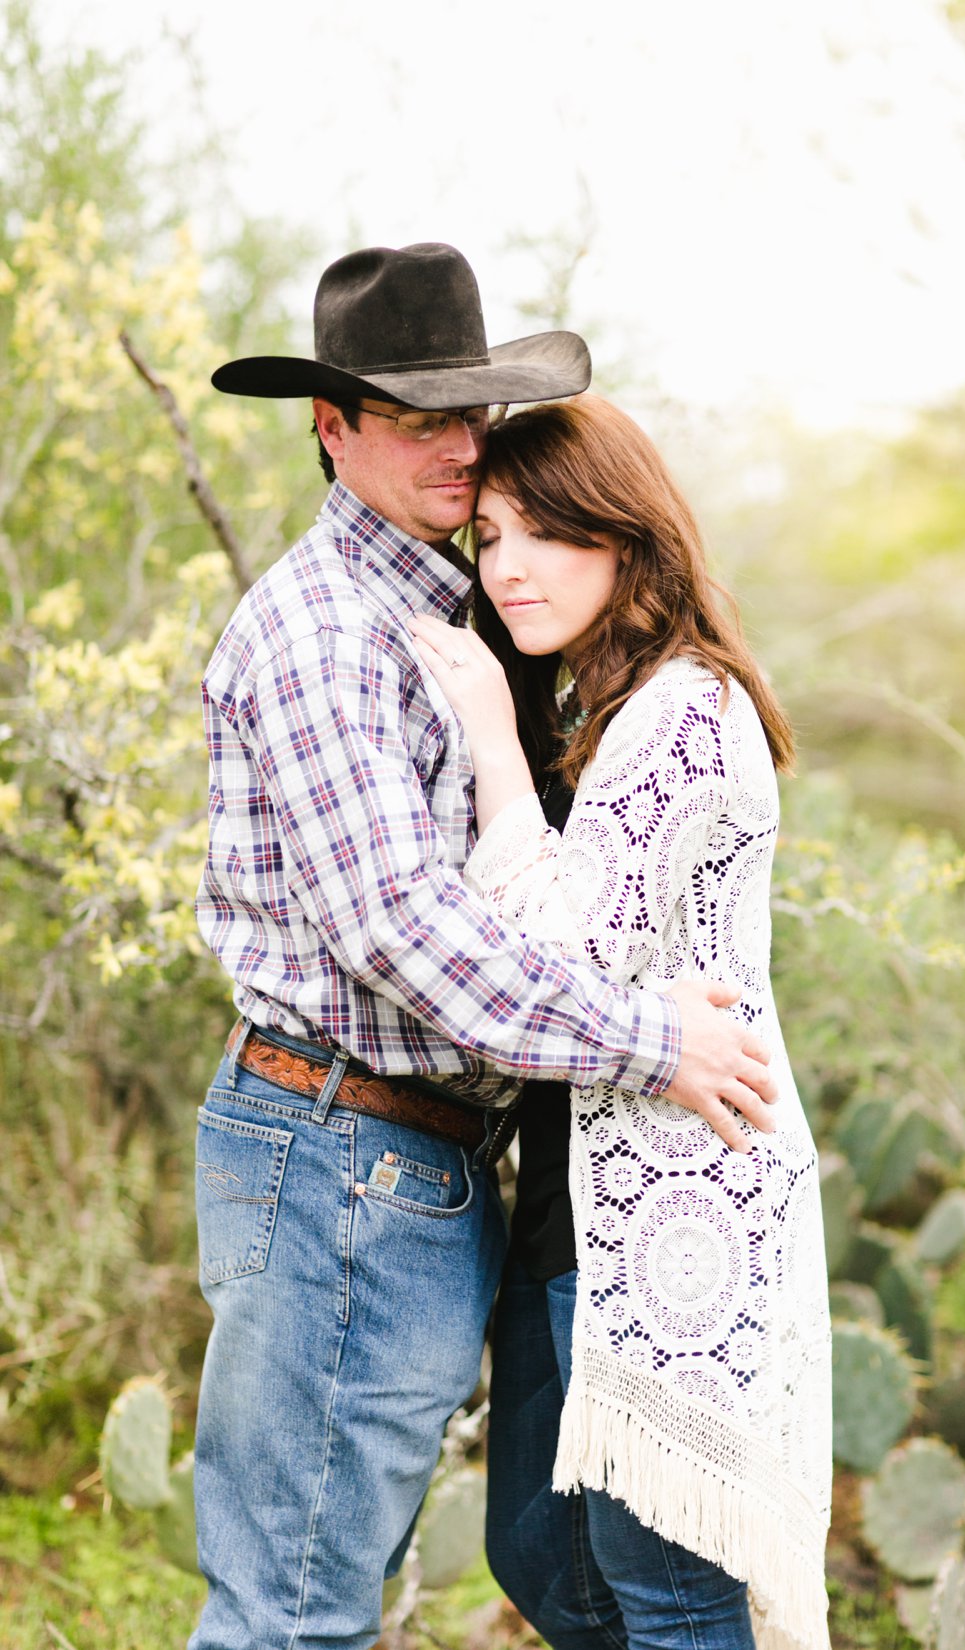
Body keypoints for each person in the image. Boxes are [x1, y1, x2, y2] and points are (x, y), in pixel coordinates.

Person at [189, 244, 780, 1650]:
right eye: (414, 415)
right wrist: (657, 1038)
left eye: (470, 412)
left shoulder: (454, 611)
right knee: (292, 1611)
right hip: (342, 1146)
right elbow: (403, 928)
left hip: (421, 1163)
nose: (458, 447)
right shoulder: (326, 633)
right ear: (330, 428)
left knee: (344, 1587)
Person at [409, 394, 832, 1650]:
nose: (512, 567)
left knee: (664, 1591)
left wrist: (489, 734)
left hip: (670, 1215)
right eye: (489, 537)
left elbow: (570, 955)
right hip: (578, 1199)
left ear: (626, 537)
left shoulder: (682, 713)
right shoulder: (609, 711)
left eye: (548, 532)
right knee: (544, 1556)